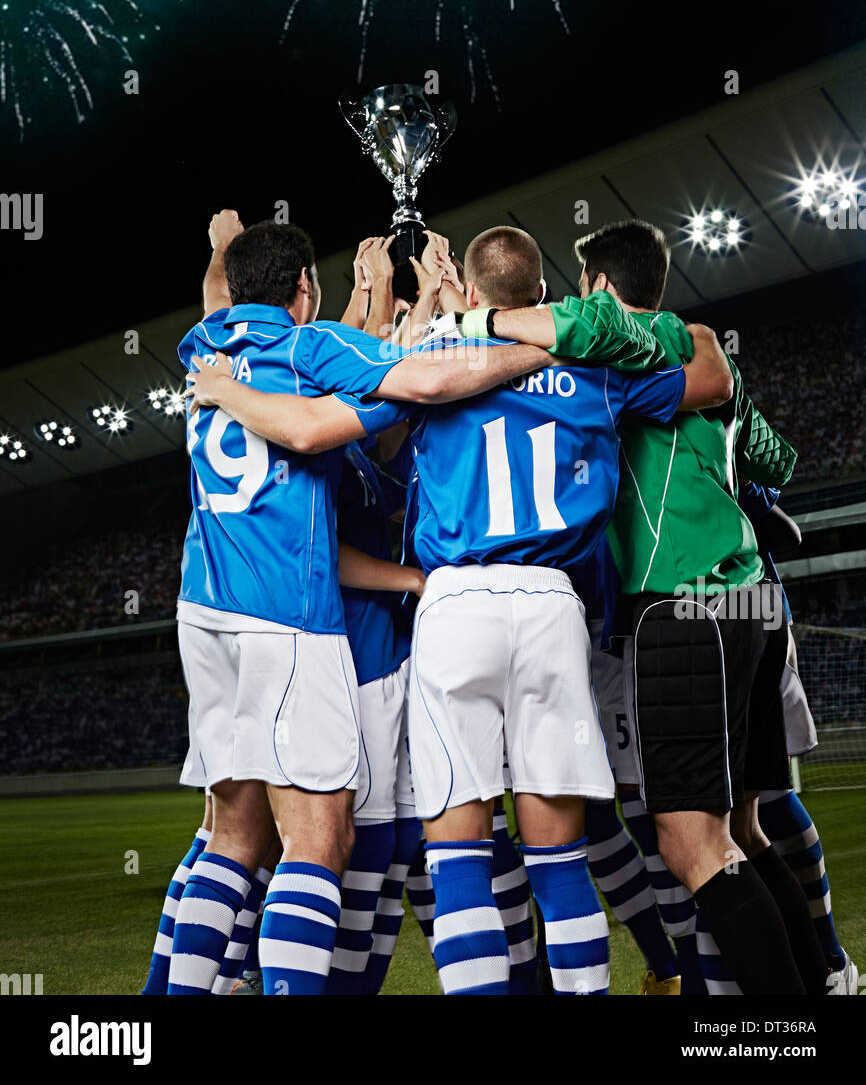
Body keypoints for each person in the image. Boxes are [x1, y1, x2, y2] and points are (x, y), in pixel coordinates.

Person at [185, 224, 732, 995]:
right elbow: (705, 381)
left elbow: (348, 413)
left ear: (472, 296)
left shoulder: (436, 365)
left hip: (453, 604)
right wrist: (612, 334)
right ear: (541, 296)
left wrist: (404, 303)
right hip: (554, 608)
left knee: (457, 852)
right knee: (560, 855)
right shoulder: (596, 368)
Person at [165, 211, 560, 996]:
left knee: (236, 835)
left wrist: (222, 252)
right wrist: (528, 340)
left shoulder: (206, 347)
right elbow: (408, 381)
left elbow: (225, 296)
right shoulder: (311, 353)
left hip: (205, 606)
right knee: (322, 841)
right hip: (294, 615)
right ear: (305, 289)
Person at [460, 218, 830, 997]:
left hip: (688, 604)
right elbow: (777, 459)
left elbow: (588, 329)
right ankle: (824, 982)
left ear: (598, 288)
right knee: (743, 830)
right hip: (753, 602)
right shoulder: (697, 352)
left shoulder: (646, 338)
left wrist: (468, 318)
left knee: (689, 844)